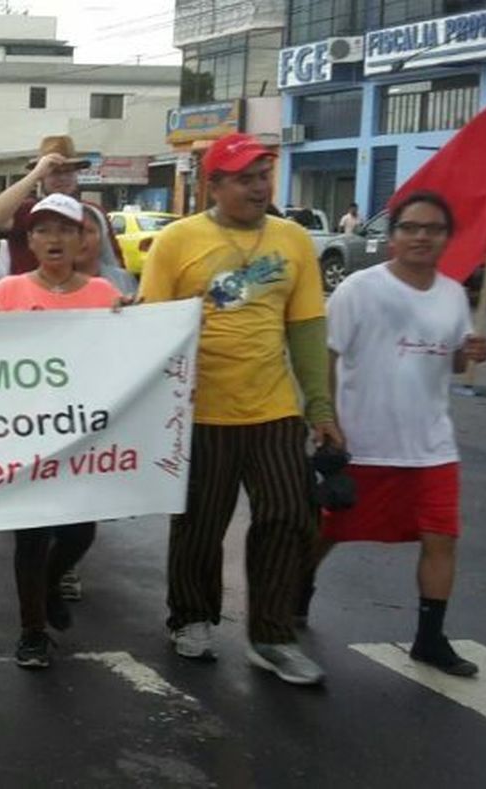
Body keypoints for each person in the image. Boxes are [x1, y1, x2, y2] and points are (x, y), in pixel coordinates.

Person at [138, 132, 338, 686]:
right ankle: (192, 617)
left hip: (274, 408)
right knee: (200, 525)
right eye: (245, 178)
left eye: (263, 176)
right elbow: (150, 325)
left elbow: (306, 327)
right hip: (199, 412)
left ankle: (272, 636)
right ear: (215, 186)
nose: (258, 187)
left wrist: (320, 409)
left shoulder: (293, 240)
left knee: (289, 515)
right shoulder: (177, 241)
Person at [311, 191, 486, 677]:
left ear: (446, 238)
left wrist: (472, 353)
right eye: (411, 227)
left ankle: (429, 638)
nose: (421, 236)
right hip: (363, 443)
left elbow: (453, 360)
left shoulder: (453, 294)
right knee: (326, 532)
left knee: (441, 537)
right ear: (392, 237)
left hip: (432, 445)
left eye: (433, 229)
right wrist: (326, 419)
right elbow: (326, 355)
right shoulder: (358, 289)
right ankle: (294, 593)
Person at [0, 194, 121, 668]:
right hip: (24, 436)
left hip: (83, 439)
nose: (54, 239)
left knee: (79, 533)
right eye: (43, 230)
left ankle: (50, 583)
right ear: (29, 240)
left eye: (65, 229)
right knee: (30, 536)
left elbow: (124, 356)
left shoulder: (105, 296)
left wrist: (139, 321)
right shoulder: (6, 293)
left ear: (82, 240)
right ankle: (32, 632)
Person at [0, 135, 124, 275]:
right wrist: (35, 174)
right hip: (31, 288)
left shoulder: (92, 213)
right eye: (54, 172)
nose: (62, 178)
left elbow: (113, 261)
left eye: (68, 171)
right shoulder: (28, 210)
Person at [77, 203, 139, 298]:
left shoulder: (123, 279)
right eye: (72, 231)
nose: (80, 238)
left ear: (102, 236)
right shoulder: (53, 284)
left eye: (89, 231)